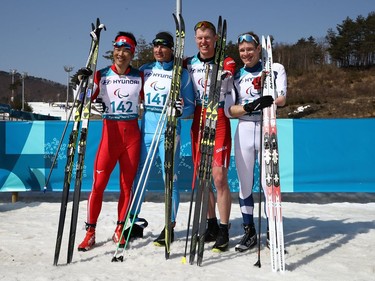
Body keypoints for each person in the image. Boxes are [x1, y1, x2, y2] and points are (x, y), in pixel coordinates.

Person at [78, 31, 144, 251]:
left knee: (127, 186)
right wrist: (82, 82)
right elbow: (83, 98)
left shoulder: (139, 76)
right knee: (98, 185)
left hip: (132, 136)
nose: (121, 54)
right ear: (113, 50)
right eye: (118, 49)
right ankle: (90, 232)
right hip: (110, 136)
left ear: (132, 54)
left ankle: (120, 229)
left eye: (126, 50)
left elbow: (154, 100)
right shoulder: (101, 75)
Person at [127, 32, 195, 246]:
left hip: (169, 132)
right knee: (140, 177)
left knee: (170, 179)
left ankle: (170, 225)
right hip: (147, 131)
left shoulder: (181, 73)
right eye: (156, 46)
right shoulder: (145, 70)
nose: (158, 50)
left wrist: (180, 109)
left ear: (171, 49)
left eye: (163, 47)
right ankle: (133, 221)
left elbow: (191, 106)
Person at [224, 31, 287, 252]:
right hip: (244, 128)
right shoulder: (235, 75)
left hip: (267, 127)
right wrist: (250, 106)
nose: (246, 53)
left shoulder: (274, 69)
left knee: (269, 184)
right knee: (245, 184)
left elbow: (282, 98)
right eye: (242, 50)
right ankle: (249, 231)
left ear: (259, 49)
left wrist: (267, 99)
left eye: (250, 49)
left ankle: (272, 231)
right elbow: (229, 110)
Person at [184, 20, 236, 252]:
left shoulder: (225, 60)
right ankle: (211, 224)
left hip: (219, 119)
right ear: (195, 40)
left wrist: (226, 73)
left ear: (216, 39)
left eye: (207, 37)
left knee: (218, 177)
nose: (203, 41)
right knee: (202, 179)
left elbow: (232, 67)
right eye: (199, 37)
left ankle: (224, 228)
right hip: (198, 117)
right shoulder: (188, 63)